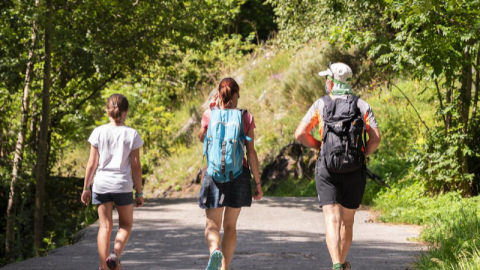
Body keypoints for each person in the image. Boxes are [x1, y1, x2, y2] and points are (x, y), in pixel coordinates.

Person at [295, 63, 381, 270]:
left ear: (332, 81)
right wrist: (362, 154)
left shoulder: (320, 104)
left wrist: (319, 146)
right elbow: (375, 138)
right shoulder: (362, 106)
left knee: (332, 220)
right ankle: (342, 263)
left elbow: (299, 134)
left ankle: (336, 265)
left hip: (327, 167)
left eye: (328, 78)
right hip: (355, 167)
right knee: (347, 222)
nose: (326, 82)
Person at [197, 77, 264, 270]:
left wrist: (212, 111)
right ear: (236, 95)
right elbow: (251, 153)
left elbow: (202, 138)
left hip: (214, 175)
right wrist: (257, 183)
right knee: (230, 226)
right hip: (238, 175)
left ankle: (214, 251)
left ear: (219, 94)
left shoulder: (210, 114)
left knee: (212, 226)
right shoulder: (245, 117)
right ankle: (224, 268)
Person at [81, 94, 145, 270]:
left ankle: (104, 267)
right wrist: (139, 192)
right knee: (126, 225)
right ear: (126, 112)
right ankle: (114, 255)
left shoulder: (98, 132)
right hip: (122, 184)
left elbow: (92, 163)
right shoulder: (132, 134)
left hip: (101, 184)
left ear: (107, 111)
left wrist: (87, 187)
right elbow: (136, 166)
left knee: (105, 226)